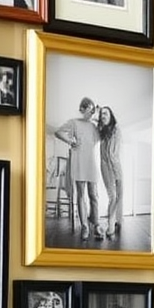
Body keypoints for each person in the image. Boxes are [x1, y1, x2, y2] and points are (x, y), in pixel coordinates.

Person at [54, 96, 104, 239]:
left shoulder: (95, 126)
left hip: (92, 161)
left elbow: (103, 136)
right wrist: (70, 141)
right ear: (82, 109)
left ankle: (96, 225)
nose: (91, 111)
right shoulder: (74, 122)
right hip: (79, 161)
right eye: (88, 108)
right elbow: (58, 132)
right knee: (81, 194)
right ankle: (84, 227)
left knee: (93, 194)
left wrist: (98, 118)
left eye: (93, 108)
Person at [97, 104, 123, 237]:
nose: (103, 116)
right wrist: (97, 116)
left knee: (119, 196)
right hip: (106, 166)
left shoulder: (116, 129)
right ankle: (111, 225)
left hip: (116, 166)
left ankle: (118, 221)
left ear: (111, 115)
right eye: (101, 114)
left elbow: (113, 154)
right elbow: (107, 155)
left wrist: (117, 173)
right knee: (112, 196)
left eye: (106, 113)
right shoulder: (102, 132)